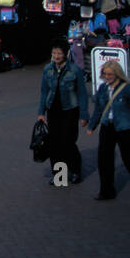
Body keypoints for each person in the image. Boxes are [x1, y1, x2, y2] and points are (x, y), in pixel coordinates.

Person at [87, 60, 130, 200]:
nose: (107, 76)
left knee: (128, 157)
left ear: (117, 74)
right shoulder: (103, 88)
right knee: (104, 159)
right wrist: (92, 125)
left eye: (110, 74)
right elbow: (98, 109)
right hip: (107, 126)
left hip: (125, 128)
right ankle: (106, 191)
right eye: (105, 73)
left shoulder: (128, 90)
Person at [37, 42, 87, 185]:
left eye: (59, 53)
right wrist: (41, 112)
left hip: (70, 110)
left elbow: (82, 94)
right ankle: (60, 176)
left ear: (65, 54)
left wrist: (84, 115)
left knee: (68, 142)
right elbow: (44, 91)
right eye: (54, 53)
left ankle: (75, 170)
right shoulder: (48, 69)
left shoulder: (74, 70)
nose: (56, 56)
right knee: (54, 143)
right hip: (53, 110)